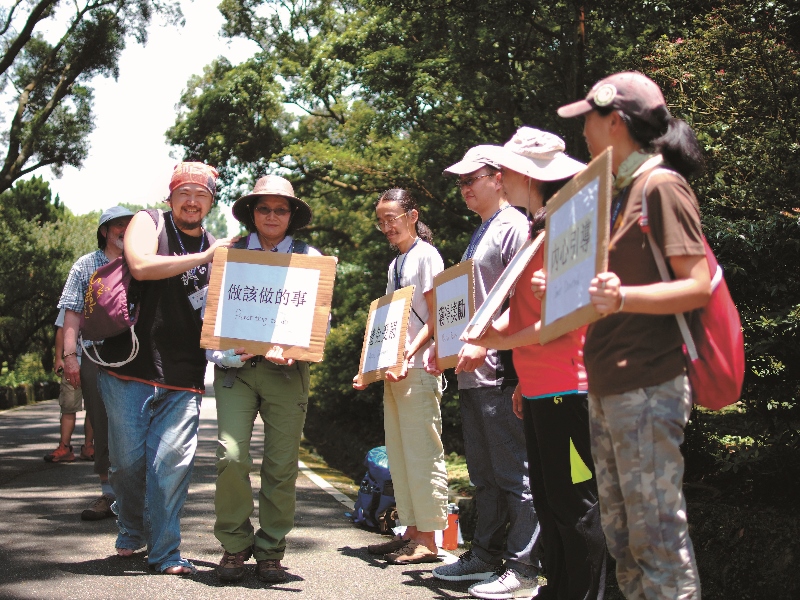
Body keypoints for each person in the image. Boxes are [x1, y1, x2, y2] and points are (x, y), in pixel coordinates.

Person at [541, 71, 711, 599]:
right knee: (623, 540)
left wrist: (622, 299)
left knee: (656, 539)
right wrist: (566, 287)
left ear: (613, 121)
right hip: (609, 387)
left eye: (587, 121)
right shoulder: (615, 195)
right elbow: (606, 291)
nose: (583, 133)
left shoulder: (661, 186)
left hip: (650, 385)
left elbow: (697, 285)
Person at [463, 128, 607, 600]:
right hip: (543, 387)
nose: (499, 178)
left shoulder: (569, 226)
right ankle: (558, 588)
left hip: (571, 387)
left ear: (525, 176)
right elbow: (525, 314)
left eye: (505, 170)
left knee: (577, 503)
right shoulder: (535, 230)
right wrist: (521, 377)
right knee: (549, 500)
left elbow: (561, 323)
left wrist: (488, 342)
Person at [95, 162, 231, 574]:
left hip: (184, 375)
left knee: (170, 469)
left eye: (201, 194)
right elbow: (140, 265)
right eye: (184, 192)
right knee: (127, 464)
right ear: (170, 197)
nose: (192, 200)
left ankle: (166, 552)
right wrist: (204, 257)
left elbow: (226, 310)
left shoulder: (214, 247)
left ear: (210, 201)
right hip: (129, 368)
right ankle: (132, 527)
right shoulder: (148, 222)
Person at [431, 146, 542, 596]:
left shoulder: (515, 225)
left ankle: (523, 568)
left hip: (501, 372)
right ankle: (485, 556)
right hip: (472, 373)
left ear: (499, 178)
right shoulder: (482, 231)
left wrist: (502, 359)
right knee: (485, 475)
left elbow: (524, 300)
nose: (464, 188)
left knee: (516, 473)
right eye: (459, 182)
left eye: (471, 179)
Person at [208, 175, 322, 584]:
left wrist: (294, 350)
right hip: (235, 371)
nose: (272, 215)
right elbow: (211, 318)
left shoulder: (311, 257)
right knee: (231, 456)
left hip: (287, 374)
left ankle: (271, 549)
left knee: (281, 465)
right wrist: (225, 352)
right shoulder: (230, 254)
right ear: (252, 213)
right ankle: (234, 547)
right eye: (264, 208)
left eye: (281, 208)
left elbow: (315, 323)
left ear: (292, 215)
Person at [352, 188, 448, 565]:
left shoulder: (426, 256)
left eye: (392, 218)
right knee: (401, 453)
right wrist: (370, 369)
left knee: (422, 452)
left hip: (419, 367)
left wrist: (409, 352)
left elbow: (439, 314)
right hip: (396, 371)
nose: (386, 226)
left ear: (412, 215)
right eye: (381, 220)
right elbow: (390, 324)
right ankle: (410, 530)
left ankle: (428, 538)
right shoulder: (396, 263)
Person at [56, 206, 135, 521]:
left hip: (137, 355)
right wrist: (69, 356)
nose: (124, 231)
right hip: (94, 353)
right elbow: (71, 312)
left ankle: (137, 497)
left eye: (130, 226)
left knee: (133, 424)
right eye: (117, 225)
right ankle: (109, 495)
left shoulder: (141, 263)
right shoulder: (86, 265)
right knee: (101, 424)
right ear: (104, 231)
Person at [46, 315, 93, 463]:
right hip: (72, 363)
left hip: (96, 361)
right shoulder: (71, 300)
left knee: (94, 407)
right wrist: (58, 358)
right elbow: (61, 329)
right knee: (68, 407)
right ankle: (64, 447)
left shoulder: (101, 296)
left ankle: (89, 447)